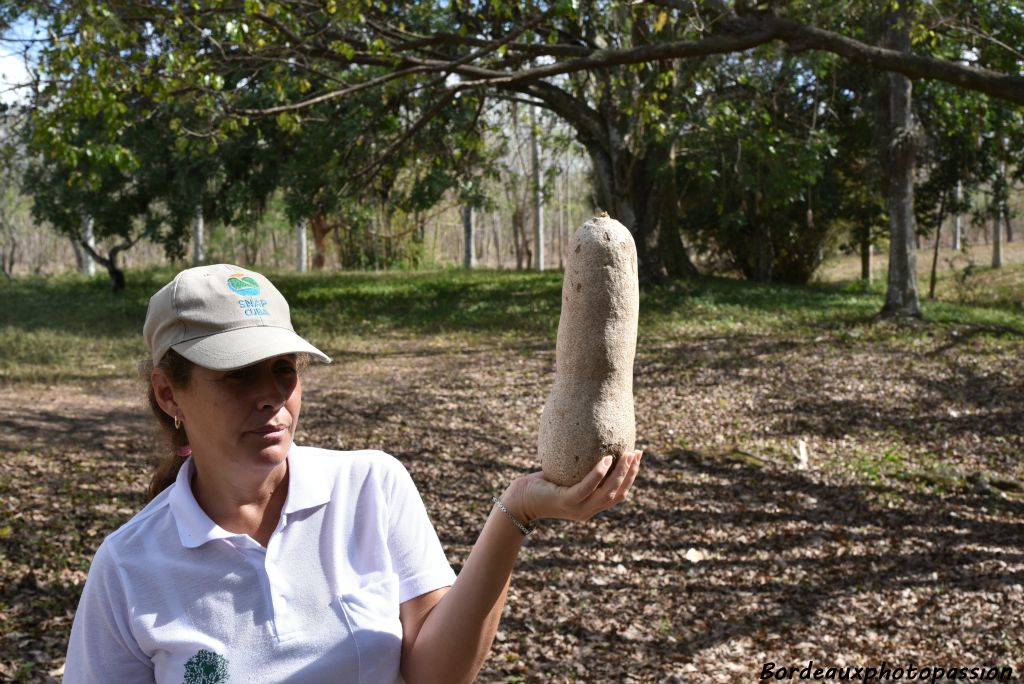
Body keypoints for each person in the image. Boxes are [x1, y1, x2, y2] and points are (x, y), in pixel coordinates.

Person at [63, 263, 641, 683]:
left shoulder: (371, 486)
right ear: (169, 394)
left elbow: (435, 675)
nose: (271, 397)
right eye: (237, 375)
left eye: (284, 369)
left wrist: (517, 511)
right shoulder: (129, 567)